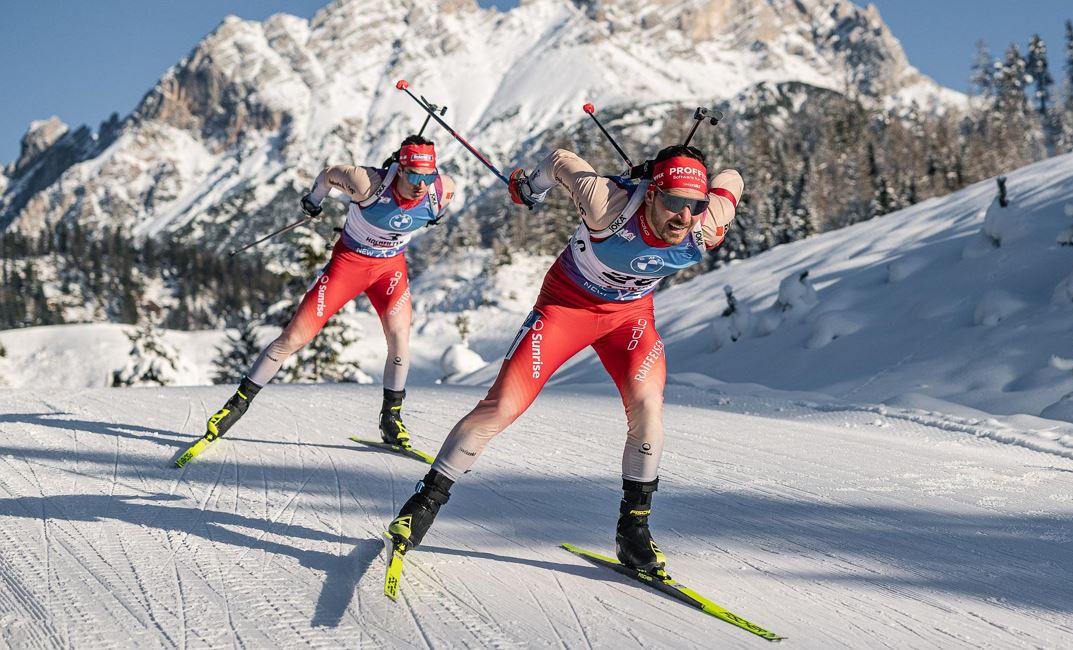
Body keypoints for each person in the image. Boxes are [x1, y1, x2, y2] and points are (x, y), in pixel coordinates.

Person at [387, 143, 743, 571]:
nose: (683, 218)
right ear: (650, 194)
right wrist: (527, 187)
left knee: (648, 411)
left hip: (629, 320)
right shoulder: (606, 203)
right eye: (672, 203)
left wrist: (698, 178)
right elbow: (560, 160)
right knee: (503, 406)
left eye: (694, 205)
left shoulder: (707, 224)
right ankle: (422, 506)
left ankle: (634, 532)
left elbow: (732, 180)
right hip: (566, 308)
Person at [204, 135, 456, 448]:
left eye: (428, 176)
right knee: (294, 338)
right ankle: (235, 407)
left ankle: (391, 419)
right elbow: (328, 175)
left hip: (390, 270)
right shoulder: (366, 183)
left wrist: (435, 217)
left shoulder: (440, 190)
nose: (422, 185)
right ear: (401, 170)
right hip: (349, 265)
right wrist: (314, 201)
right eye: (416, 176)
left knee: (399, 338)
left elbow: (445, 199)